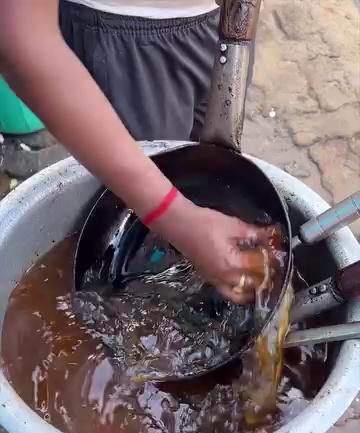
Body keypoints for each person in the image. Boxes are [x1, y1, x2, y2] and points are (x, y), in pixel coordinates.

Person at [0, 0, 266, 303]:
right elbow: (21, 34)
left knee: (207, 186)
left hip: (230, 21)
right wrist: (171, 214)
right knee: (135, 216)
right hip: (124, 38)